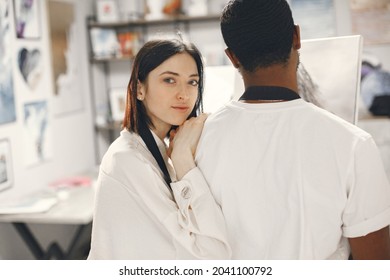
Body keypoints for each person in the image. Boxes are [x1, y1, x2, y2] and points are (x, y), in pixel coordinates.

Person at [196, 0, 390, 259]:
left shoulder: (198, 142)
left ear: (232, 57)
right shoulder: (353, 143)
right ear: (297, 37)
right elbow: (375, 263)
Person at [88, 39, 231, 259]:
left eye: (192, 82)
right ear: (139, 89)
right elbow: (211, 256)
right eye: (169, 80)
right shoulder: (128, 159)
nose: (184, 94)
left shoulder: (155, 148)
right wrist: (182, 158)